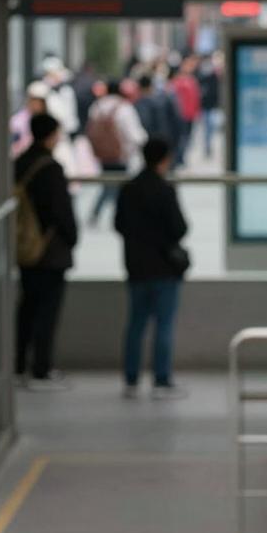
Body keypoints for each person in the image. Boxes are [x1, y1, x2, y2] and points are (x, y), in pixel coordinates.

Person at [114, 137, 189, 400]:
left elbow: (119, 224)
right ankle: (161, 379)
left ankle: (131, 379)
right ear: (164, 159)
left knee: (136, 324)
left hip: (136, 265)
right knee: (164, 325)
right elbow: (179, 228)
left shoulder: (129, 188)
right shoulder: (165, 190)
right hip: (164, 267)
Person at [14, 112, 78, 391]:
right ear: (51, 135)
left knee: (27, 307)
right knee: (47, 311)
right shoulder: (50, 169)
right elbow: (61, 212)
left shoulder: (19, 164)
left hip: (25, 247)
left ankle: (18, 365)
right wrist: (72, 238)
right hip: (50, 251)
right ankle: (41, 367)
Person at [86, 79, 147, 225]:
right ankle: (120, 215)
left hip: (102, 154)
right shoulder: (124, 108)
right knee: (119, 186)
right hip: (121, 154)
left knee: (108, 184)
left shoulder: (97, 106)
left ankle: (99, 213)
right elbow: (135, 134)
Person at [134, 73, 183, 162]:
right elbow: (177, 120)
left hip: (148, 144)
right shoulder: (165, 99)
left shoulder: (137, 104)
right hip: (165, 141)